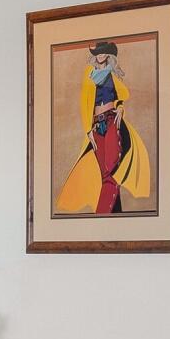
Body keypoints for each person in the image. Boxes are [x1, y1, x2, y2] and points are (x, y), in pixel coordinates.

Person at [54, 38, 151, 215]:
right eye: (98, 52)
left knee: (111, 170)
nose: (101, 55)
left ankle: (101, 216)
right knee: (104, 172)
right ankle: (115, 214)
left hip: (112, 121)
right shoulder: (89, 74)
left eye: (105, 52)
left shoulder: (112, 74)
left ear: (109, 56)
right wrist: (87, 129)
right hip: (96, 125)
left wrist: (120, 107)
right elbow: (84, 102)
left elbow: (122, 95)